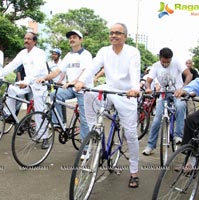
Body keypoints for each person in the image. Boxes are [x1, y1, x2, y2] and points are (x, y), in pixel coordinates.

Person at [75, 23, 141, 188]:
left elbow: (135, 72)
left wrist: (135, 88)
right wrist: (81, 80)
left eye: (118, 33)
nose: (113, 35)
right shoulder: (104, 51)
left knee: (131, 133)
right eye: (111, 33)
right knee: (89, 94)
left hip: (126, 93)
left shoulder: (132, 52)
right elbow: (93, 66)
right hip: (110, 89)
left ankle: (134, 171)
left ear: (125, 36)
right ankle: (94, 132)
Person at [0, 32, 50, 149]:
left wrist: (27, 81)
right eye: (25, 38)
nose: (26, 40)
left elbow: (38, 69)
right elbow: (12, 65)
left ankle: (44, 137)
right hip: (27, 82)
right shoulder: (23, 53)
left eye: (29, 39)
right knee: (12, 89)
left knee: (40, 111)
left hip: (40, 84)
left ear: (34, 41)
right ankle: (9, 113)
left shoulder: (40, 53)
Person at [36, 29, 92, 145]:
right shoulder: (69, 55)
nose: (71, 39)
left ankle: (85, 146)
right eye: (70, 37)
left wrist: (74, 82)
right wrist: (45, 78)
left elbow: (86, 71)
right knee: (54, 94)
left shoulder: (86, 54)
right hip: (71, 88)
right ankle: (58, 122)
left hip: (83, 90)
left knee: (84, 119)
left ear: (80, 40)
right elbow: (57, 71)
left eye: (74, 37)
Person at [142, 47, 193, 156]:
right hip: (163, 93)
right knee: (156, 119)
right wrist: (148, 88)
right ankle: (150, 145)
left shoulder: (177, 63)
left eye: (168, 62)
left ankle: (178, 135)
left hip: (177, 92)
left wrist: (183, 88)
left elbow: (189, 75)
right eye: (163, 62)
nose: (165, 64)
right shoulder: (155, 66)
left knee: (180, 106)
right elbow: (148, 81)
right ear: (159, 58)